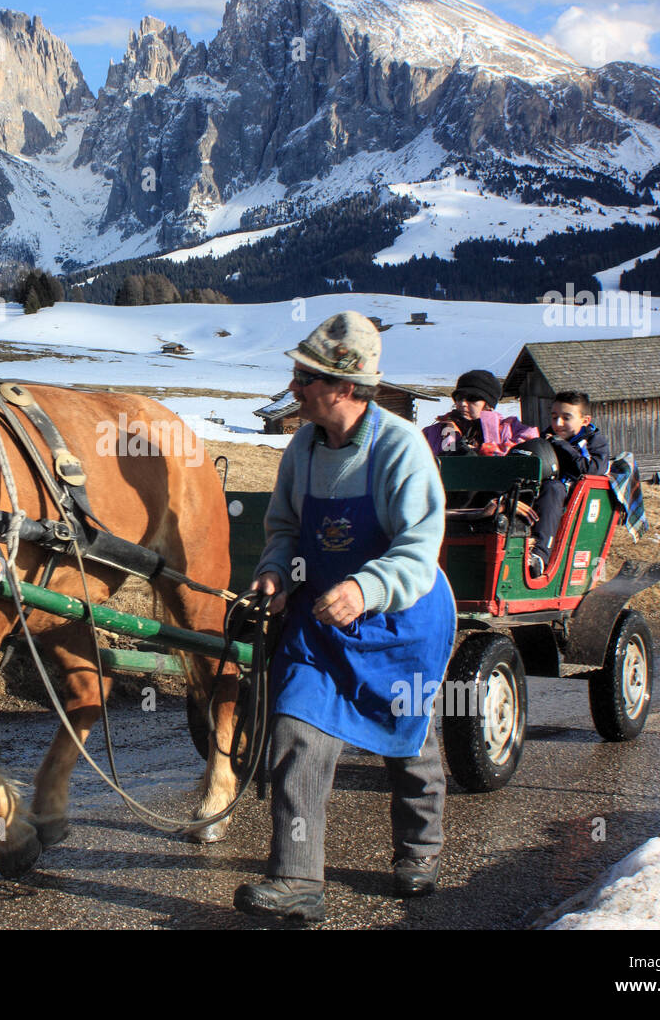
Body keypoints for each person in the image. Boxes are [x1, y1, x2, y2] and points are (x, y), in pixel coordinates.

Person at [234, 311, 457, 923]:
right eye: (297, 373)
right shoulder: (302, 448)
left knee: (407, 739)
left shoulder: (400, 447)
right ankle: (298, 878)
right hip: (321, 618)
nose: (295, 386)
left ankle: (419, 849)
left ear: (346, 385)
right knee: (297, 730)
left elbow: (418, 548)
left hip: (400, 621)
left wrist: (365, 588)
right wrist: (277, 574)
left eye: (307, 376)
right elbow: (283, 529)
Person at [525, 391, 610, 578]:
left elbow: (591, 469)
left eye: (566, 417)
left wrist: (562, 445)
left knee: (553, 488)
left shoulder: (594, 442)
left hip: (573, 499)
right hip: (543, 492)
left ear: (585, 420)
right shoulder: (546, 436)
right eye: (555, 417)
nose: (558, 424)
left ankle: (540, 555)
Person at [422, 369, 538, 457]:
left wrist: (483, 450)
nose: (463, 403)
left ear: (488, 404)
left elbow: (530, 441)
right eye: (459, 397)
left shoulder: (508, 428)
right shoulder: (436, 431)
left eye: (472, 398)